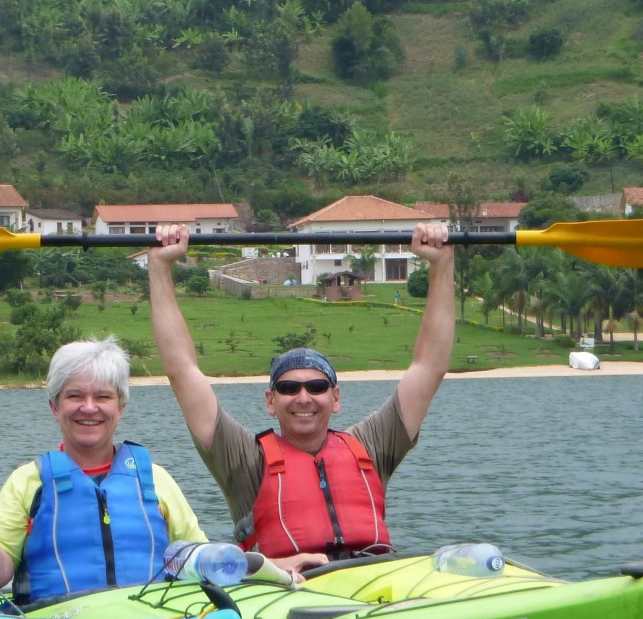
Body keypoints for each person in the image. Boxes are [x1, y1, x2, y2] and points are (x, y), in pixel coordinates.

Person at [147, 221, 455, 576]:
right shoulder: (245, 460)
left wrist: (441, 264)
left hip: (374, 584)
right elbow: (183, 371)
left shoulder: (369, 445)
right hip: (290, 592)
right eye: (289, 389)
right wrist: (160, 267)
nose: (303, 397)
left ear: (335, 398)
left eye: (317, 387)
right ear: (270, 401)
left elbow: (429, 366)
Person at [0, 336, 210, 603]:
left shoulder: (155, 480)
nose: (88, 407)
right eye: (74, 395)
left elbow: (201, 558)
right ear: (54, 407)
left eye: (103, 396)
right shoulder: (27, 482)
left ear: (120, 408)